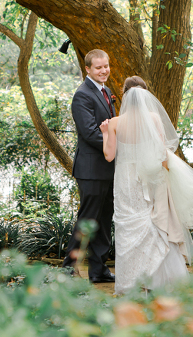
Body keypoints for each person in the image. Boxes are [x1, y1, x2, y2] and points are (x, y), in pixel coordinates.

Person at [100, 76, 193, 294]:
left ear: (124, 96)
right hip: (149, 177)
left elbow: (109, 156)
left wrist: (105, 134)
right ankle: (157, 279)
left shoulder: (114, 123)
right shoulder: (153, 118)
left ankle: (129, 283)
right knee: (154, 224)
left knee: (127, 228)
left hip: (125, 181)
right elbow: (161, 153)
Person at [61, 49, 116, 283]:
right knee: (88, 221)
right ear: (88, 69)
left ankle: (98, 270)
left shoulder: (107, 91)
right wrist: (118, 147)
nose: (104, 70)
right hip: (92, 170)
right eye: (98, 67)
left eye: (106, 66)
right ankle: (68, 268)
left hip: (108, 168)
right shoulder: (82, 95)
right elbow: (91, 133)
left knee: (104, 221)